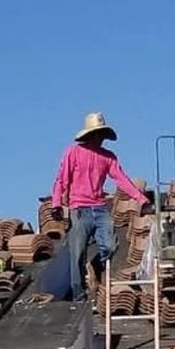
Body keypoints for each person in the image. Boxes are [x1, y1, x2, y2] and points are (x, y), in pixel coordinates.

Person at [51, 112, 151, 302]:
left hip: (99, 207)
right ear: (89, 135)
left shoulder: (108, 157)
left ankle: (96, 265)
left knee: (112, 245)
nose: (100, 138)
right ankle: (79, 293)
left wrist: (141, 199)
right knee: (77, 252)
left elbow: (122, 179)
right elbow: (61, 180)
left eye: (102, 134)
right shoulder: (73, 152)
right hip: (79, 209)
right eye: (97, 134)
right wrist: (56, 203)